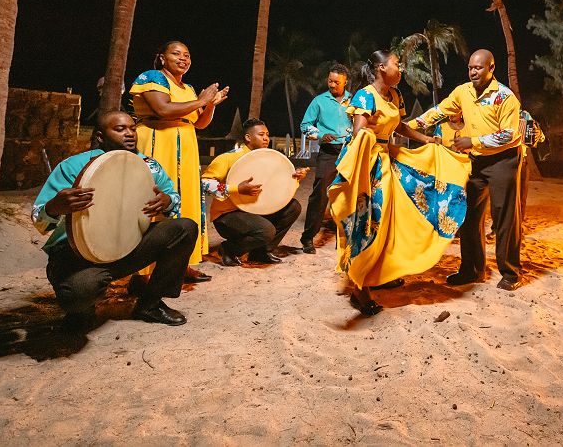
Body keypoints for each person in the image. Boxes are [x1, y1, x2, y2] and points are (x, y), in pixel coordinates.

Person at [328, 50, 471, 316]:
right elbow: (359, 132)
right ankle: (360, 290)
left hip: (386, 159)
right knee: (369, 223)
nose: (401, 69)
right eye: (397, 64)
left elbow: (399, 126)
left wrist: (427, 140)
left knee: (392, 221)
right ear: (382, 68)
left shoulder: (395, 95)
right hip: (367, 165)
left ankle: (381, 274)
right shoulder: (366, 96)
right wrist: (369, 142)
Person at [32, 111, 198, 327]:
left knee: (185, 228)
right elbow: (40, 221)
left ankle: (150, 304)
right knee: (76, 294)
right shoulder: (73, 166)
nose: (129, 133)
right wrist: (54, 207)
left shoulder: (149, 166)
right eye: (120, 129)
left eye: (132, 128)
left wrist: (167, 201)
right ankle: (82, 309)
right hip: (77, 255)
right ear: (100, 136)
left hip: (128, 246)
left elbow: (173, 198)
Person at [411, 49, 524, 291]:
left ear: (491, 68)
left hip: (503, 160)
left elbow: (509, 134)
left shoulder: (505, 97)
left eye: (478, 68)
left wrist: (472, 141)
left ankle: (511, 273)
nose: (473, 72)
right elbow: (439, 112)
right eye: (470, 67)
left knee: (504, 217)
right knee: (468, 216)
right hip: (476, 161)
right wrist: (407, 126)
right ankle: (471, 270)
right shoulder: (463, 92)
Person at [129, 40, 228, 283]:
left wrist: (210, 105)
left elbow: (200, 122)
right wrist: (202, 101)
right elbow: (163, 109)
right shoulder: (152, 77)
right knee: (155, 200)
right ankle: (142, 272)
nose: (183, 58)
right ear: (162, 57)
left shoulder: (189, 88)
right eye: (176, 53)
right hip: (158, 144)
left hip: (186, 147)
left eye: (187, 55)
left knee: (186, 202)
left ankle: (181, 263)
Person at [201, 118, 310, 266]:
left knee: (293, 207)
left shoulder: (268, 160)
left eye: (267, 134)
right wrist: (236, 188)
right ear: (248, 137)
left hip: (254, 211)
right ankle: (229, 249)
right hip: (227, 216)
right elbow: (205, 184)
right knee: (266, 230)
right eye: (261, 134)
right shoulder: (228, 158)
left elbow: (275, 188)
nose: (266, 138)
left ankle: (261, 252)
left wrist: (295, 178)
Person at [298, 63, 353, 253]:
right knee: (320, 192)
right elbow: (305, 125)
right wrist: (321, 134)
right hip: (328, 152)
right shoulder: (319, 101)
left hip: (350, 152)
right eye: (330, 81)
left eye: (336, 82)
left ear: (345, 82)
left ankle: (346, 237)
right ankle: (307, 238)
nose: (332, 84)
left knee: (350, 193)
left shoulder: (354, 100)